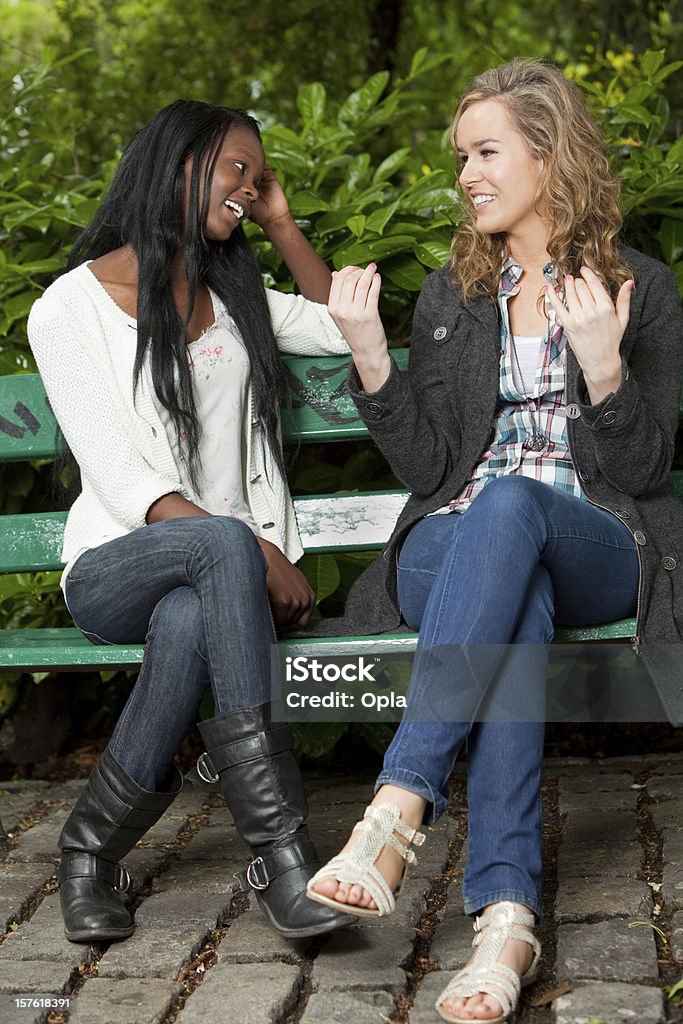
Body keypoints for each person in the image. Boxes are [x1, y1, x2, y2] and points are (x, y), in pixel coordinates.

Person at [305, 59, 683, 1023]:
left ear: (548, 155)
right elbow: (432, 472)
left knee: (515, 508)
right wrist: (373, 360)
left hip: (593, 537)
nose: (466, 173)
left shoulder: (643, 288)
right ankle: (505, 913)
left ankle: (397, 810)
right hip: (455, 547)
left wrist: (603, 369)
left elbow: (640, 473)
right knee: (504, 549)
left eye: (485, 152)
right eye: (460, 156)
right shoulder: (451, 298)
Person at [27, 99, 354, 945]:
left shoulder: (232, 291)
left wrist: (282, 226)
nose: (249, 186)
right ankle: (284, 859)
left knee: (188, 620)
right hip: (115, 565)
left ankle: (88, 852)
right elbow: (118, 472)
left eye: (258, 174)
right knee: (211, 549)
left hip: (213, 574)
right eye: (234, 168)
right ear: (177, 164)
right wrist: (251, 548)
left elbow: (345, 331)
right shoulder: (71, 307)